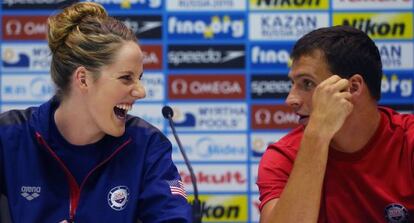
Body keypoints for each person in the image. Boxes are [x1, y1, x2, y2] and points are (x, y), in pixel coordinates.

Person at [0, 2, 191, 222]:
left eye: (139, 78)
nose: (141, 91)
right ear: (83, 79)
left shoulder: (147, 146)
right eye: (126, 78)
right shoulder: (9, 137)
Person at [257, 25, 414, 222]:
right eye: (293, 84)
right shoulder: (283, 156)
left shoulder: (409, 142)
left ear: (353, 87)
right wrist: (317, 136)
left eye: (307, 83)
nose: (291, 99)